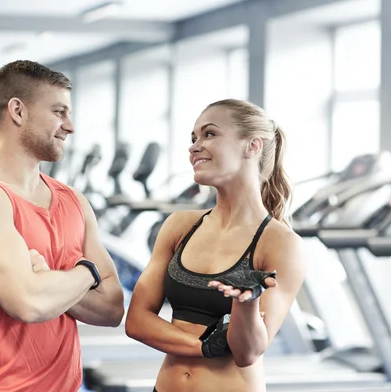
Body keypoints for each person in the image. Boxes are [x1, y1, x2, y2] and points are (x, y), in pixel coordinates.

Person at [0, 60, 125, 392]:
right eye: (58, 112)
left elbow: (113, 308)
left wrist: (48, 279)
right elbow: (28, 303)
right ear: (18, 111)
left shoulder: (74, 201)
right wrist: (87, 273)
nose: (70, 126)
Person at [125, 98, 306, 392]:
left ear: (253, 146)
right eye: (193, 138)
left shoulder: (280, 243)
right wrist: (207, 347)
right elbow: (137, 321)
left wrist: (245, 304)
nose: (194, 146)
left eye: (209, 134)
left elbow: (247, 353)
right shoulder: (180, 225)